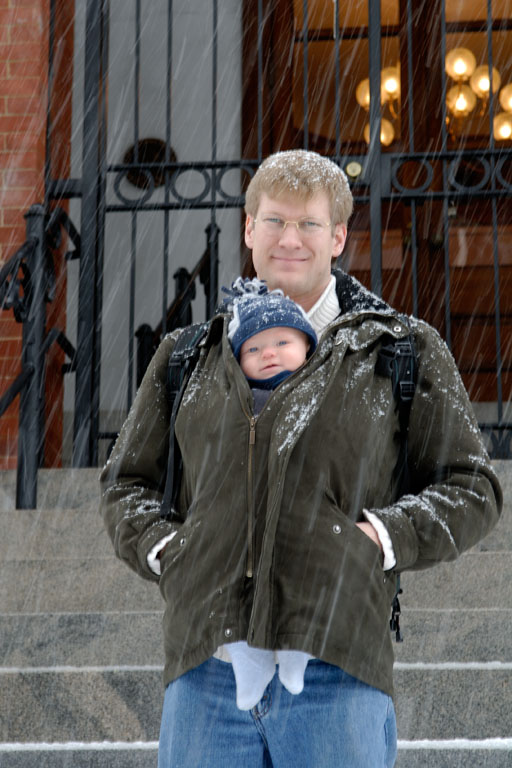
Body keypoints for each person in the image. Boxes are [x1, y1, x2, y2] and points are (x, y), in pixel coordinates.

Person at [100, 149, 502, 768]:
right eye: (275, 221)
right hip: (207, 676)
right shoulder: (187, 356)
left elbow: (473, 486)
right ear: (248, 229)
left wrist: (381, 539)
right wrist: (166, 550)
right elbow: (126, 481)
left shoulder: (401, 350)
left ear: (337, 237)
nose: (290, 239)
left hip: (336, 670)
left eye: (309, 224)